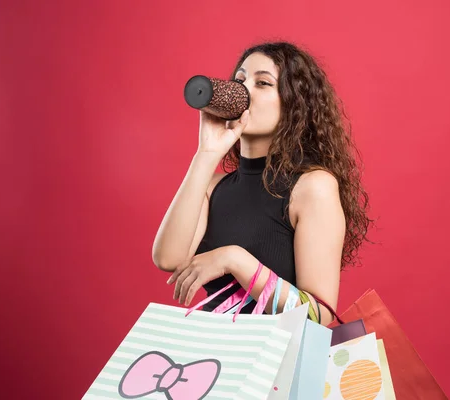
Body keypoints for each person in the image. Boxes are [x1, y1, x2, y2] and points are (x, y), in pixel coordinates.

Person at [152, 41, 372, 325]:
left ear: (294, 104)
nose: (244, 91)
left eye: (263, 83)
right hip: (216, 362)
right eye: (240, 80)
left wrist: (235, 260)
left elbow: (319, 316)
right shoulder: (212, 187)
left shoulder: (312, 187)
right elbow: (168, 258)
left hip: (277, 363)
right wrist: (206, 153)